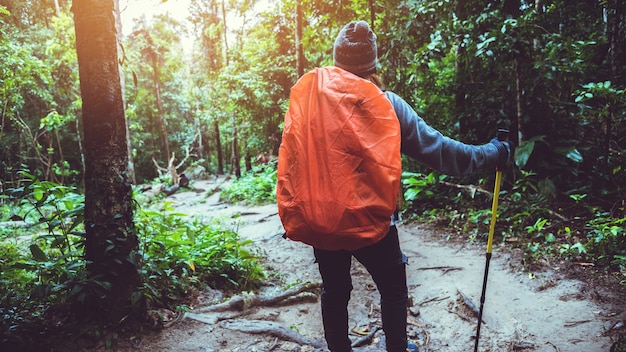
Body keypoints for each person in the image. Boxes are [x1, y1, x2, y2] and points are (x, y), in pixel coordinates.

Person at [278, 20, 514, 352]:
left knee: (335, 289)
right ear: (372, 63)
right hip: (372, 223)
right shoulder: (386, 104)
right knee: (392, 289)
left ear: (337, 60)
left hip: (322, 219)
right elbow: (443, 153)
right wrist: (492, 154)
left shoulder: (311, 104)